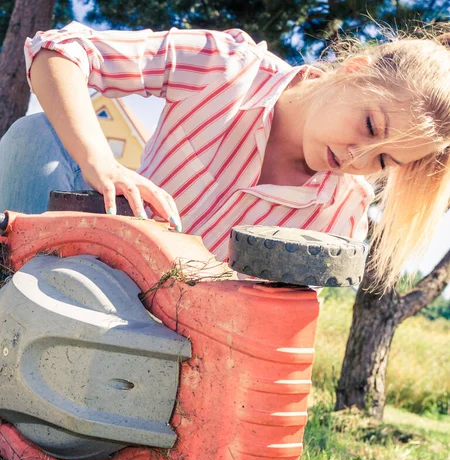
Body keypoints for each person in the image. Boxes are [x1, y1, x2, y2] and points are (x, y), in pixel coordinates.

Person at [0, 22, 449, 290]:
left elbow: (260, 327)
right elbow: (59, 50)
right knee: (35, 136)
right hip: (89, 260)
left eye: (385, 160)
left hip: (169, 341)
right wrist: (102, 162)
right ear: (353, 72)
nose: (357, 158)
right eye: (371, 127)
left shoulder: (339, 217)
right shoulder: (228, 67)